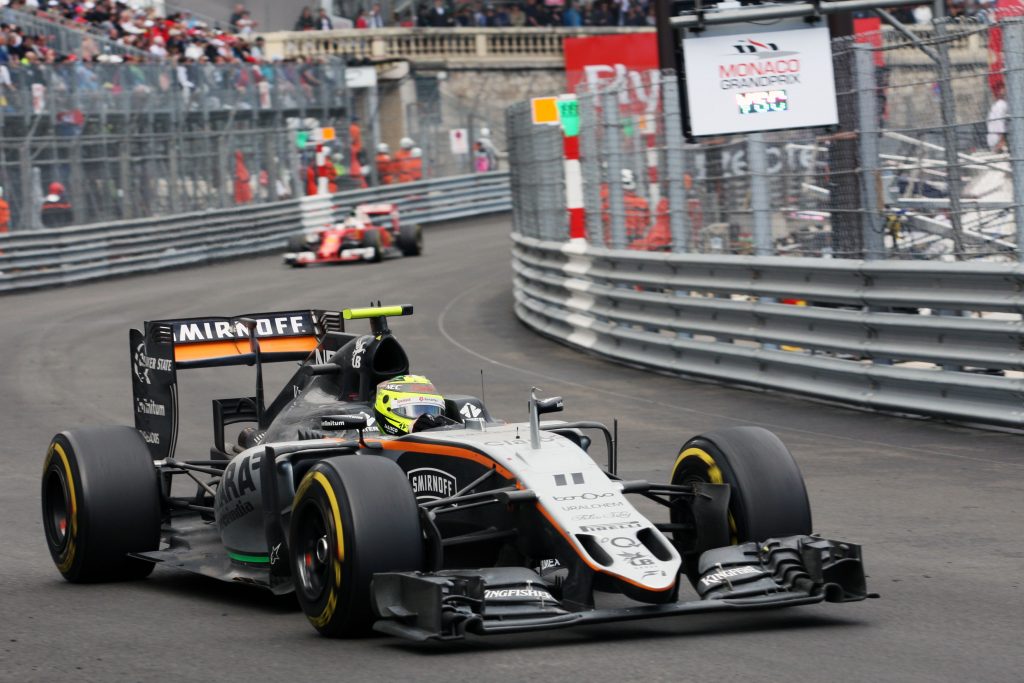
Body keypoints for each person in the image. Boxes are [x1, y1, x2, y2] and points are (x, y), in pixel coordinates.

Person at [374, 375, 449, 435]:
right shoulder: (367, 445)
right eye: (417, 410)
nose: (428, 419)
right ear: (387, 409)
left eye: (432, 410)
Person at [987, 81, 1009, 153]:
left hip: (994, 139)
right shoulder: (1001, 104)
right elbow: (999, 124)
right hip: (997, 141)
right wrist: (1001, 142)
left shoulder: (998, 104)